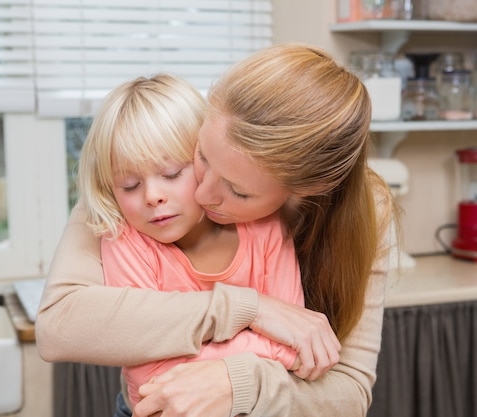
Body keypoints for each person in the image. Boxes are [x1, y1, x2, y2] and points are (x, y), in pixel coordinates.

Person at [36, 42, 399, 417]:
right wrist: (249, 309)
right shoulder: (138, 190)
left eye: (237, 190)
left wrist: (237, 381)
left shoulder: (352, 217)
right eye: (201, 158)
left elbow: (349, 393)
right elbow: (59, 327)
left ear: (304, 191)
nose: (203, 193)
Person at [75, 73, 305, 409]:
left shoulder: (265, 227)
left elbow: (295, 340)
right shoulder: (127, 241)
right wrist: (259, 351)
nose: (153, 196)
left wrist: (198, 361)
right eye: (128, 185)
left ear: (205, 160)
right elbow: (150, 376)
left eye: (170, 174)